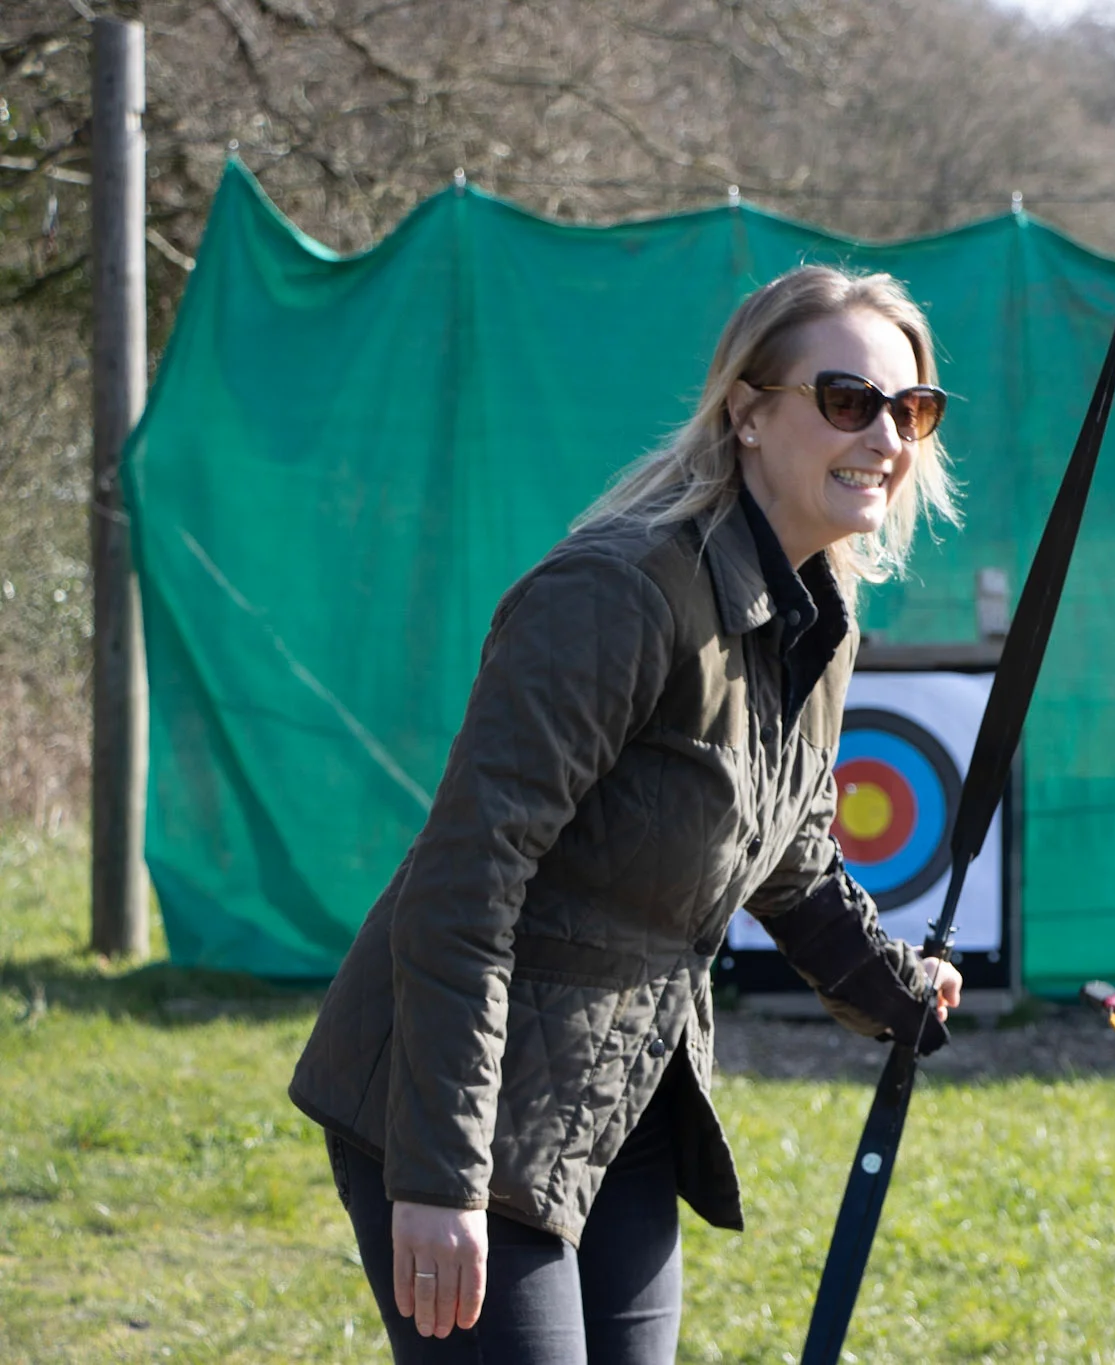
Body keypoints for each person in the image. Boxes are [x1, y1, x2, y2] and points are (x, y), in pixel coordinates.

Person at [290, 264, 967, 1363]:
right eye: (847, 400)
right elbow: (468, 880)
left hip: (624, 1098)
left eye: (911, 408)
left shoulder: (820, 621)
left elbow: (788, 859)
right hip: (459, 1099)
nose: (886, 434)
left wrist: (895, 987)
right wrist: (438, 1177)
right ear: (748, 415)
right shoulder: (616, 594)